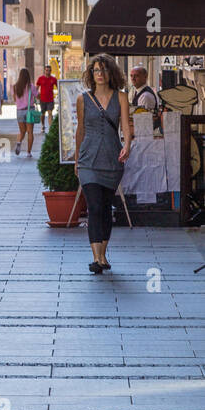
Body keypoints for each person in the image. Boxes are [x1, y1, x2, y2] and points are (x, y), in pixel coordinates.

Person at [75, 54, 132, 275]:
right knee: (95, 207)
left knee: (106, 208)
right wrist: (77, 159)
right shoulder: (83, 99)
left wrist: (127, 145)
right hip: (88, 159)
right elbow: (81, 130)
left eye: (104, 70)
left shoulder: (121, 97)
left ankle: (103, 254)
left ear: (111, 74)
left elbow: (125, 125)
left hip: (112, 158)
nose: (100, 74)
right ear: (91, 75)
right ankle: (96, 258)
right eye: (96, 71)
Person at [13, 67, 39, 158]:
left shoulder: (15, 86)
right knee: (30, 132)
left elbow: (14, 99)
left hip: (19, 111)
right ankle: (28, 152)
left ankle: (19, 142)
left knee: (22, 131)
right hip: (29, 111)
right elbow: (37, 96)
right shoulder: (31, 86)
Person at [37, 64, 58, 133]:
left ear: (51, 71)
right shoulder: (40, 78)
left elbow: (58, 87)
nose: (48, 72)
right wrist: (36, 96)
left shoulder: (53, 79)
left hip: (50, 99)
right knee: (42, 114)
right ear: (44, 71)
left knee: (50, 113)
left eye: (49, 71)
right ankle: (43, 125)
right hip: (42, 99)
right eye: (46, 70)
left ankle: (50, 128)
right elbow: (36, 88)